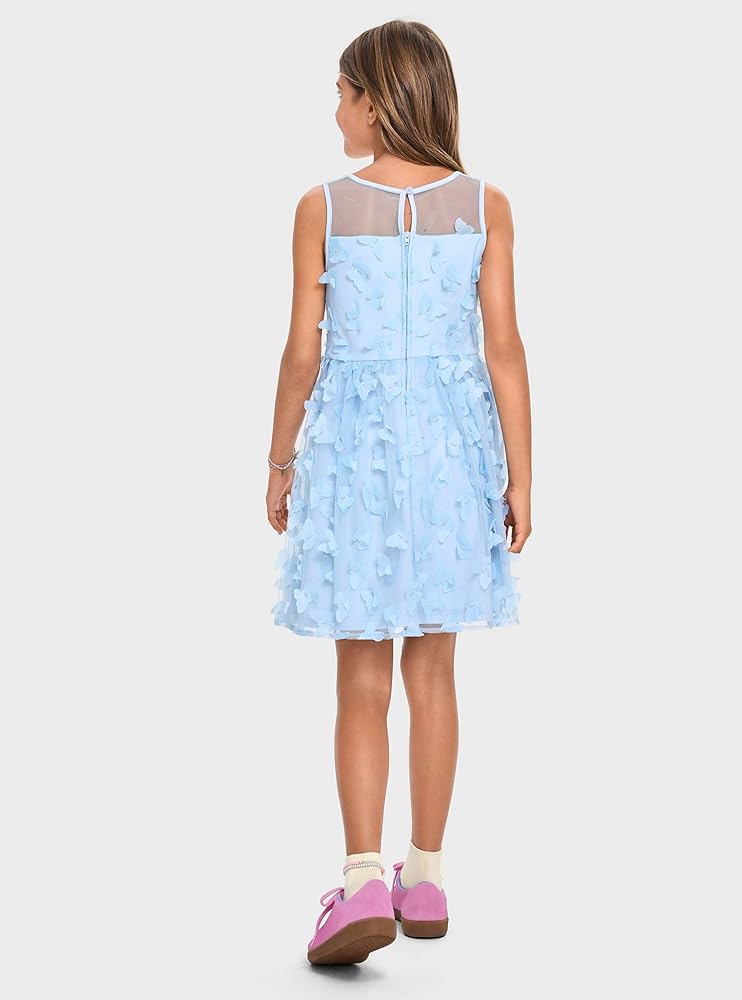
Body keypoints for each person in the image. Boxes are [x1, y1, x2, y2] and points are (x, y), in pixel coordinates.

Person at [265, 19, 533, 965]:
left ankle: (360, 881)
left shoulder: (324, 207)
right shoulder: (486, 205)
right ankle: (425, 876)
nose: (334, 110)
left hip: (356, 457)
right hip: (454, 455)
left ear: (376, 101)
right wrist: (522, 476)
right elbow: (505, 349)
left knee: (362, 677)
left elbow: (302, 355)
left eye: (342, 93)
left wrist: (279, 460)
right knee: (434, 672)